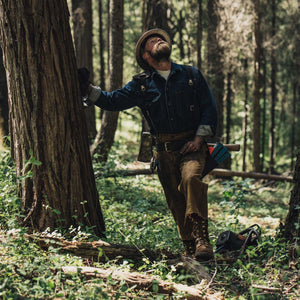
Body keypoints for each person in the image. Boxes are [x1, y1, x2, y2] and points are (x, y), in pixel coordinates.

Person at [82, 28, 218, 261]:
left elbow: (209, 109)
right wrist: (88, 89)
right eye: (152, 42)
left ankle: (202, 240)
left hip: (191, 146)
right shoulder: (142, 84)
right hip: (164, 153)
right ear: (146, 57)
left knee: (191, 178)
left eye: (160, 39)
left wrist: (198, 139)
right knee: (175, 200)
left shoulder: (191, 75)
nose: (158, 41)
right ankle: (189, 248)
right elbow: (112, 101)